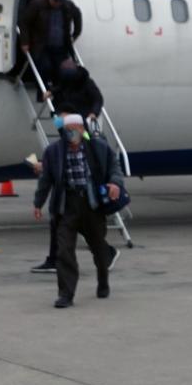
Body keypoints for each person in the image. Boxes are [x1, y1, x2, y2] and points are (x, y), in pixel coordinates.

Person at [32, 115, 120, 308]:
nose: (73, 133)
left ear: (83, 129)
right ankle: (66, 294)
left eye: (77, 128)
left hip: (91, 205)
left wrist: (114, 183)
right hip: (66, 206)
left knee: (98, 246)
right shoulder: (53, 152)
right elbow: (45, 180)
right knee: (64, 251)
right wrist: (38, 203)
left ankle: (103, 279)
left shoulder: (98, 147)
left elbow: (114, 168)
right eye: (69, 129)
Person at [20, 0, 83, 87]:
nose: (57, 4)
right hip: (41, 46)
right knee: (45, 67)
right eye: (55, 1)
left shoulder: (67, 6)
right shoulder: (37, 5)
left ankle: (58, 95)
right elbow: (24, 22)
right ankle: (42, 94)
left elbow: (77, 14)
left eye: (60, 2)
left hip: (60, 46)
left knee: (62, 69)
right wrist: (25, 42)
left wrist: (75, 34)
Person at [50, 59, 106, 124]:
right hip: (71, 113)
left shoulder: (87, 83)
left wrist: (94, 113)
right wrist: (51, 91)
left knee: (88, 131)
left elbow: (98, 99)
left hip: (87, 114)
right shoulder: (66, 81)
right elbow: (60, 87)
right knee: (59, 122)